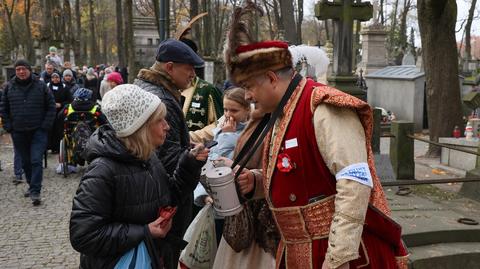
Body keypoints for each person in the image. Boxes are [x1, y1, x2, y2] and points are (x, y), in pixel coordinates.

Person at [223, 2, 409, 269]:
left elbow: (354, 183)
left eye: (249, 86)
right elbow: (299, 176)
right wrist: (256, 182)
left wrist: (338, 258)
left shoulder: (323, 107)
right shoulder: (282, 111)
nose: (248, 96)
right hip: (297, 252)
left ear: (272, 78)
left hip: (340, 256)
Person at [69, 84, 209, 269]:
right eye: (160, 120)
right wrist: (144, 232)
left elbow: (169, 197)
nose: (167, 126)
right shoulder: (102, 172)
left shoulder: (147, 158)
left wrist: (189, 164)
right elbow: (83, 235)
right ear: (139, 127)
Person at [134, 38, 204, 269]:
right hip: (163, 208)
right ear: (170, 67)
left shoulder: (151, 88)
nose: (193, 74)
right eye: (189, 68)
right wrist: (194, 159)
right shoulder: (161, 98)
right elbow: (167, 159)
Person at [192, 87, 251, 245]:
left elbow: (221, 163)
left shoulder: (246, 133)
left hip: (232, 201)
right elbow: (208, 163)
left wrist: (226, 135)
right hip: (212, 198)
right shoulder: (221, 128)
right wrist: (202, 194)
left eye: (234, 110)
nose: (228, 115)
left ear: (247, 110)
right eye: (225, 109)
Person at [0, 59, 56, 205]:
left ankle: (35, 192)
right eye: (18, 69)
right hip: (18, 131)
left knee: (36, 160)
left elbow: (51, 106)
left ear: (29, 70)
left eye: (23, 69)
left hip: (38, 130)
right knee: (25, 162)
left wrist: (45, 125)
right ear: (15, 71)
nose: (21, 72)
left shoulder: (41, 85)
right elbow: (3, 108)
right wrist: (8, 126)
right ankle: (32, 185)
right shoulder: (9, 87)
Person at [179, 38, 224, 138]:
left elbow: (220, 123)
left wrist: (193, 137)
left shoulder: (208, 91)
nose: (192, 73)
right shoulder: (160, 90)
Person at [47, 72, 72, 153]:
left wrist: (61, 104)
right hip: (50, 111)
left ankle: (57, 148)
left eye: (57, 77)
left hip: (61, 112)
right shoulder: (47, 86)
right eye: (53, 78)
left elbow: (69, 100)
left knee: (59, 129)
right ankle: (49, 146)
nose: (55, 79)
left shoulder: (65, 87)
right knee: (49, 129)